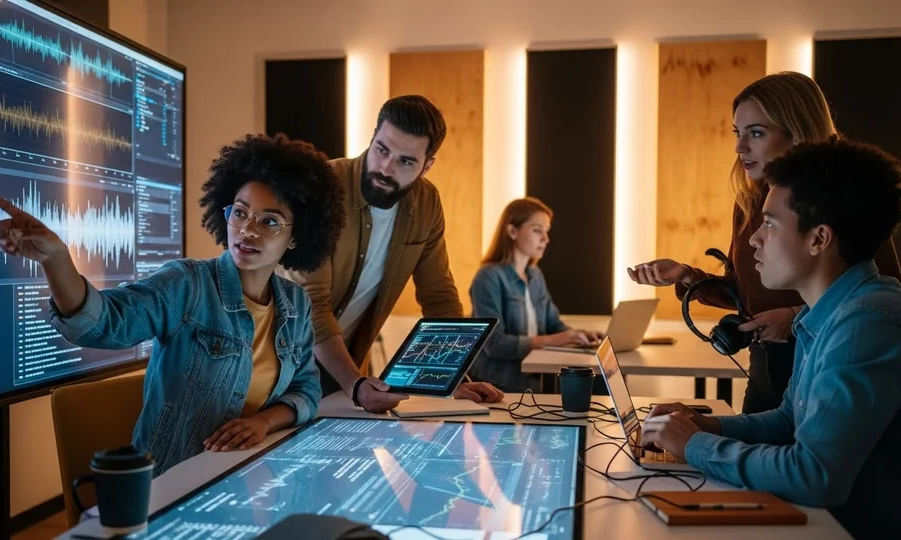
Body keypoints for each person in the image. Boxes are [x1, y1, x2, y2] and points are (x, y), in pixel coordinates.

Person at [0, 133, 347, 476]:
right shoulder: (186, 284)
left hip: (250, 472)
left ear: (297, 236)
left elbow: (306, 389)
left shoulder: (295, 304)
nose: (248, 230)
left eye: (269, 221)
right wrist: (56, 259)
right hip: (177, 480)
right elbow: (104, 323)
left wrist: (262, 422)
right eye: (240, 212)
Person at [641, 138, 901, 540]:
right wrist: (704, 424)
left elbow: (814, 476)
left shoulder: (865, 324)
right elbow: (789, 419)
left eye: (770, 224)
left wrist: (694, 446)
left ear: (819, 239)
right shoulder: (828, 312)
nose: (754, 240)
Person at [627, 72, 900, 413]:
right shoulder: (750, 203)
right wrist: (686, 275)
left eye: (755, 133)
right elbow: (745, 293)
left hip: (828, 359)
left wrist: (795, 317)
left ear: (798, 132)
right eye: (737, 133)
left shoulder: (845, 201)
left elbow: (880, 300)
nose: (740, 147)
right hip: (764, 371)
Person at [278, 95, 504, 412]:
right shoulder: (323, 187)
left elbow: (439, 298)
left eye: (405, 161)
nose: (386, 167)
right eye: (382, 150)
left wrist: (454, 381)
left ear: (427, 166)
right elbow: (309, 303)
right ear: (372, 137)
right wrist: (355, 384)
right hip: (277, 368)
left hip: (343, 373)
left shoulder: (427, 204)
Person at [468, 197, 603, 392]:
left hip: (537, 377)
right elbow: (493, 343)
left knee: (597, 383)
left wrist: (579, 335)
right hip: (501, 381)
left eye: (546, 232)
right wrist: (551, 340)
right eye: (537, 230)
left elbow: (553, 325)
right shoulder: (488, 277)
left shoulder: (535, 275)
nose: (545, 239)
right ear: (512, 231)